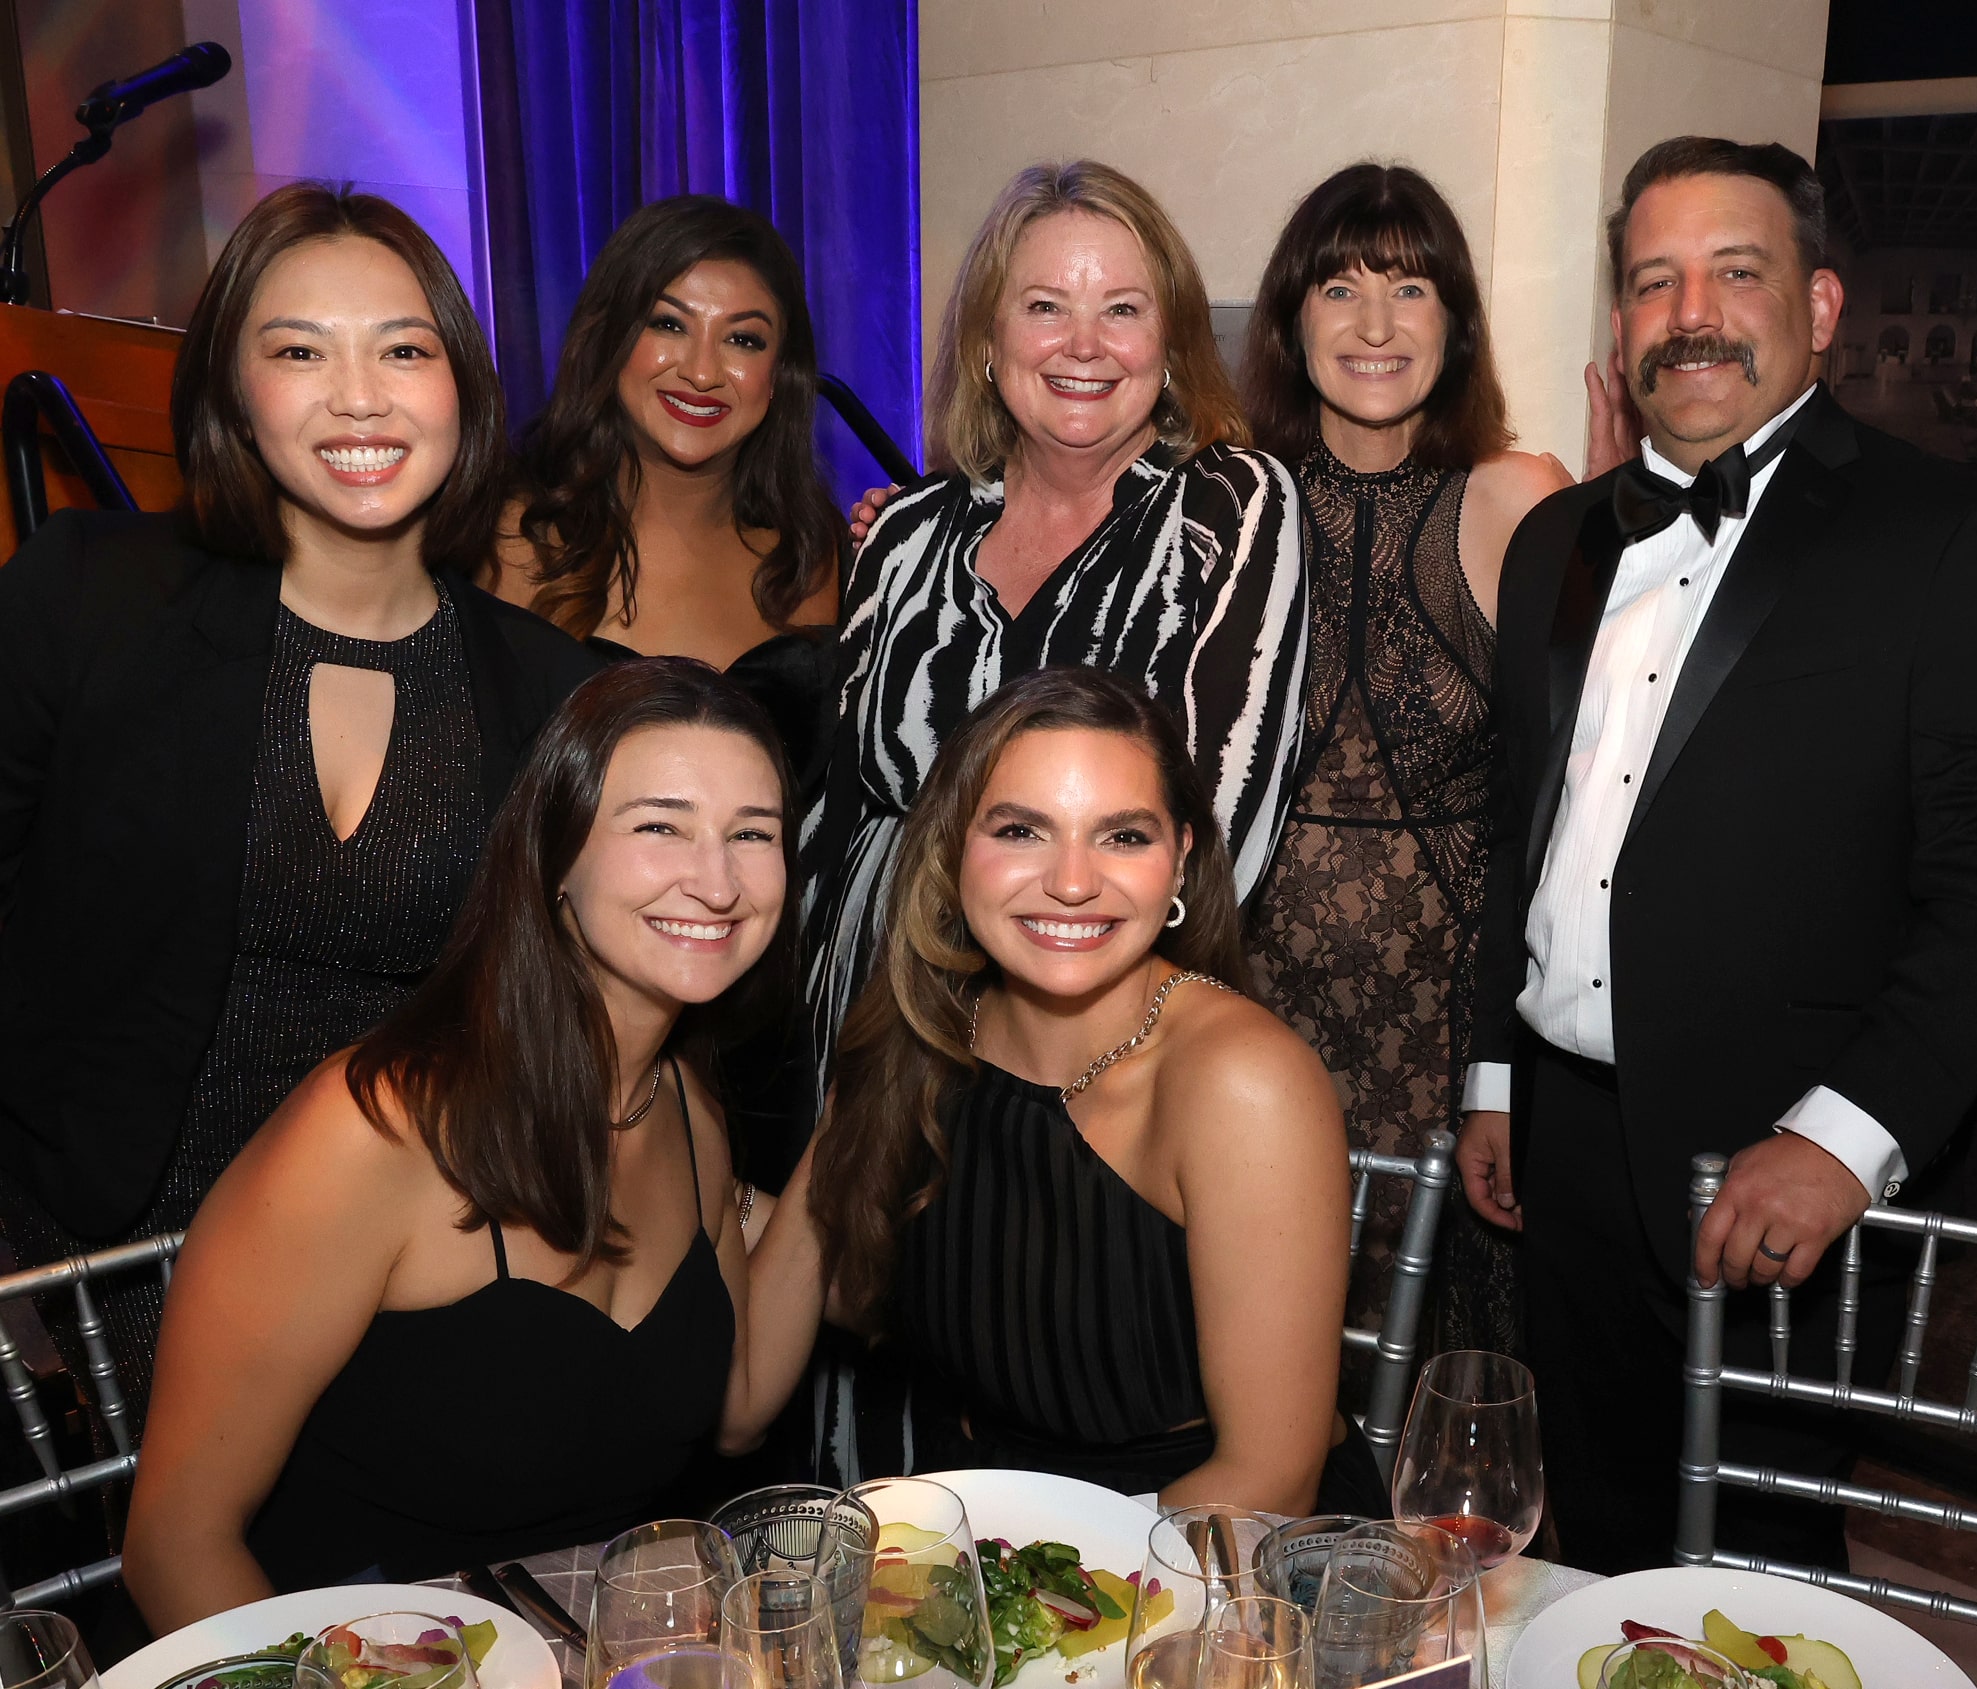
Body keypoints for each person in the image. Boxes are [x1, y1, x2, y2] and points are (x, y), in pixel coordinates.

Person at [1454, 136, 1977, 1574]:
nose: (1692, 315)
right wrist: (1494, 1073)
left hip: (1775, 1157)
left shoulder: (1950, 531)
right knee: (1590, 1532)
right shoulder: (1554, 540)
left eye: (1736, 272)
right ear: (1620, 322)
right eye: (1653, 281)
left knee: (1762, 1569)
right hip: (1561, 1142)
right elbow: (1516, 829)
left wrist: (1842, 1139)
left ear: (1823, 305)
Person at [0, 183, 599, 1401]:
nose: (359, 397)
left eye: (403, 350)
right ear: (233, 392)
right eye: (299, 352)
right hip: (95, 1280)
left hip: (401, 1278)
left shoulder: (549, 690)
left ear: (464, 388)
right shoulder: (89, 600)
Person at [125, 660, 821, 1622]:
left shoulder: (685, 1112)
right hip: (344, 1654)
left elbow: (736, 1410)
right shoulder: (373, 1129)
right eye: (659, 826)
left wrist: (849, 1136)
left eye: (753, 833)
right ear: (555, 855)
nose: (717, 881)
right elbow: (174, 1543)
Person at [764, 665, 1377, 1513]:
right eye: (1021, 830)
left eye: (1123, 836)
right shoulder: (920, 1034)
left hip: (1200, 1545)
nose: (1073, 881)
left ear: (1180, 858)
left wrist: (1025, 1591)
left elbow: (1266, 1481)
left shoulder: (1242, 1082)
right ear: (951, 847)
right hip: (976, 1523)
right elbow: (768, 1371)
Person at [803, 159, 1306, 1077]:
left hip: (1095, 1036)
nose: (1083, 344)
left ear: (1169, 342)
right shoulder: (904, 534)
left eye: (1122, 309)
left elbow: (1221, 828)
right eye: (1045, 306)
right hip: (872, 1024)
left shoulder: (1228, 507)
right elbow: (833, 815)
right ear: (988, 340)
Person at [1237, 163, 1568, 1359]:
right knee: (1266, 1349)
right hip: (1252, 1015)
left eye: (1411, 288)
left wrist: (1503, 1075)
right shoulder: (1232, 505)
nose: (1375, 324)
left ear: (1456, 322)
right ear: (1293, 322)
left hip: (1450, 1040)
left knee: (1436, 1384)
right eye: (1340, 287)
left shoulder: (1521, 500)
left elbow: (1570, 804)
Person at [492, 196, 845, 779]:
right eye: (668, 324)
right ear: (610, 341)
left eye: (743, 340)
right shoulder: (512, 537)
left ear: (779, 375)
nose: (701, 373)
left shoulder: (814, 551)